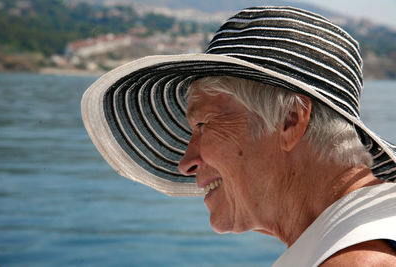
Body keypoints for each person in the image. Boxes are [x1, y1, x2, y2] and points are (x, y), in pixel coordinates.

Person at [82, 6, 396, 266]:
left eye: (204, 124)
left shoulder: (358, 260)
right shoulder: (356, 234)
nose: (186, 163)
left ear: (290, 121)